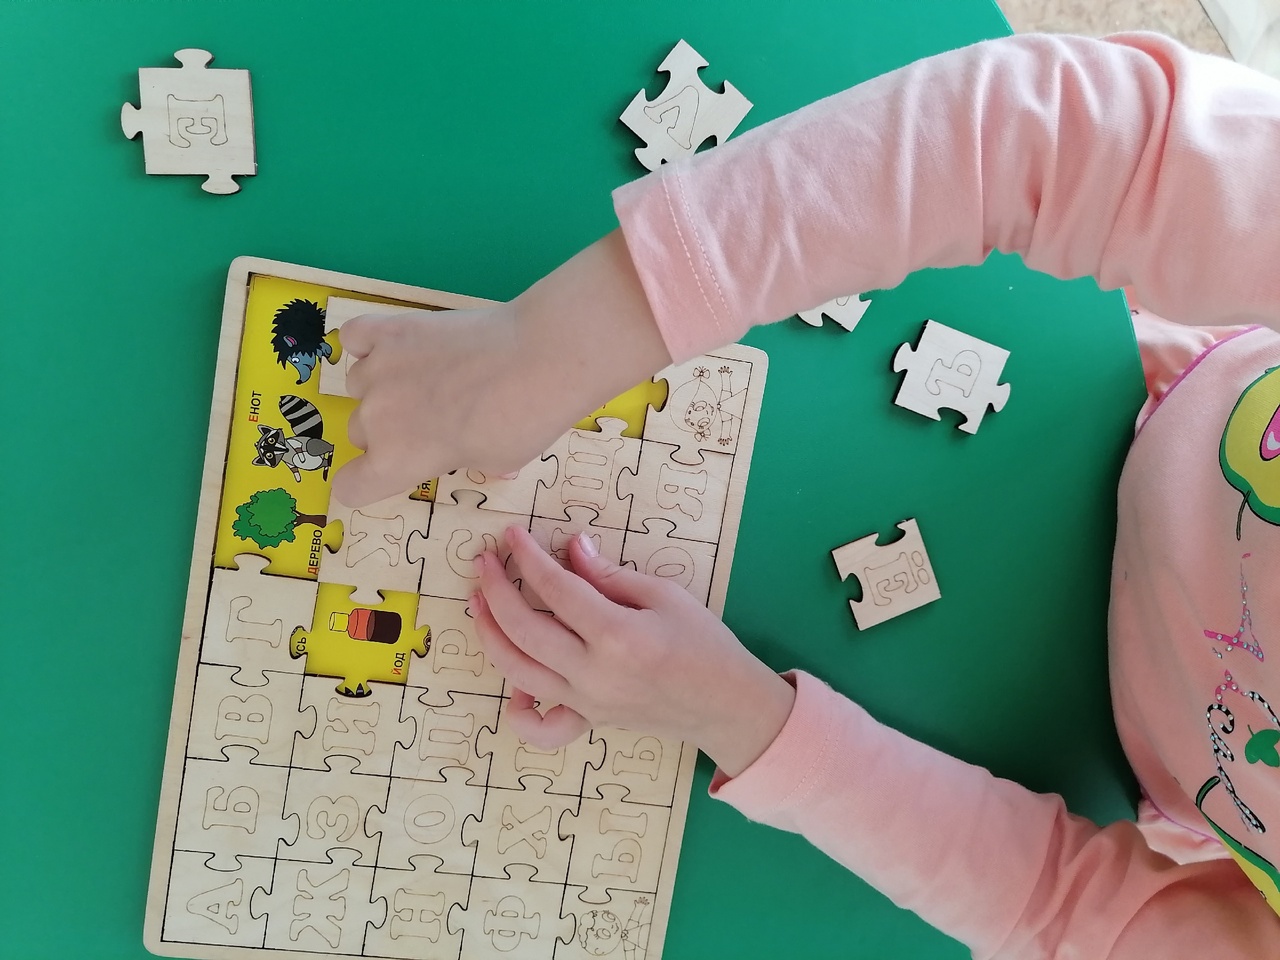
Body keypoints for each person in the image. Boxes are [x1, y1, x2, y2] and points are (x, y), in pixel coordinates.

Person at [333, 31, 1280, 957]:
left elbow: (1069, 915)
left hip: (1121, 755)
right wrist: (555, 343)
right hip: (1141, 391)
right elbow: (1056, 132)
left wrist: (736, 715)